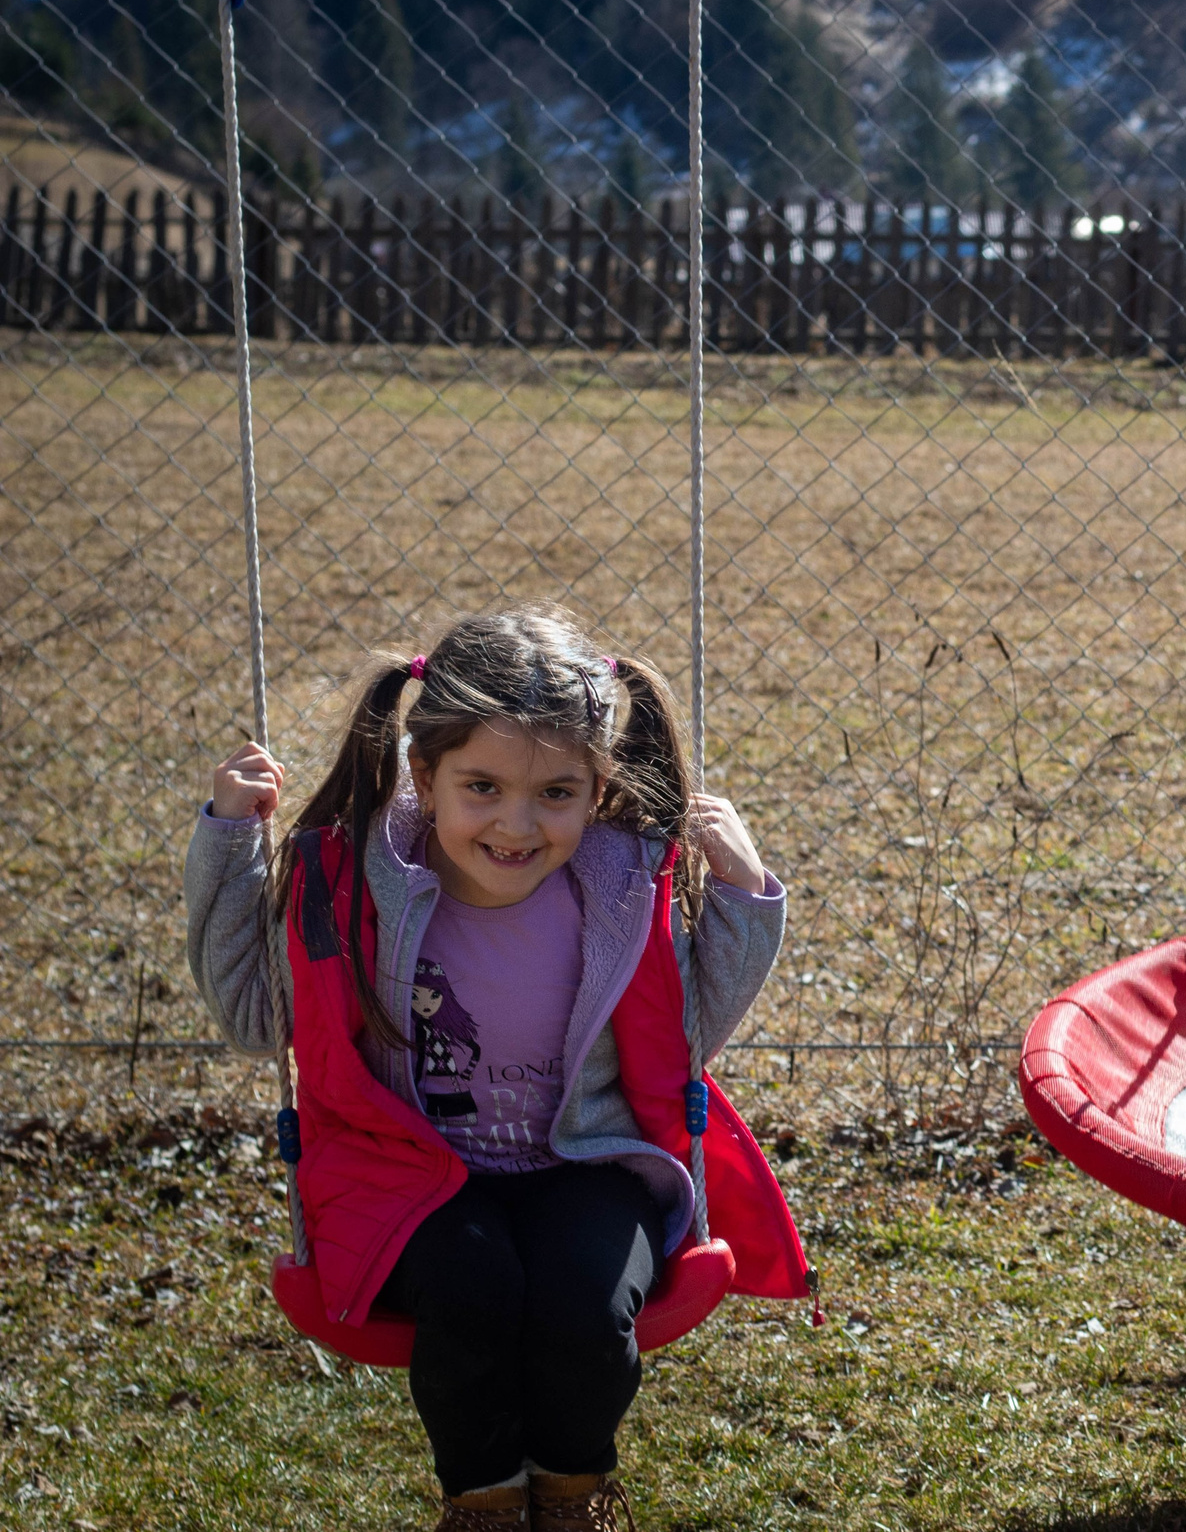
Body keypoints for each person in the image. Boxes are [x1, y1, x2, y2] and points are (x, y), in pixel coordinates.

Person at [188, 606, 807, 1531]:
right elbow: (252, 1015)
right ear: (424, 773)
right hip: (407, 1173)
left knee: (586, 1308)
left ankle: (570, 1491)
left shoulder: (618, 888)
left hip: (583, 1162)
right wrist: (230, 842)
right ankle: (481, 1503)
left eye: (557, 792)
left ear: (597, 787)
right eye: (482, 786)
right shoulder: (356, 881)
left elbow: (685, 1036)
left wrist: (746, 893)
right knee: (473, 1288)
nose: (517, 825)